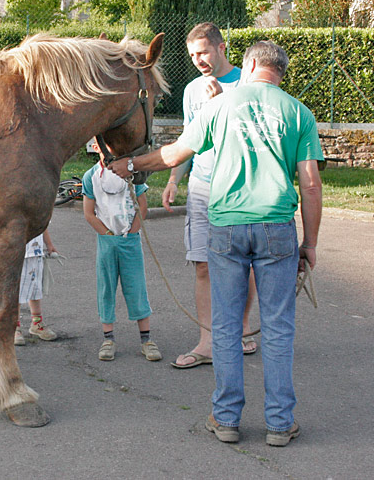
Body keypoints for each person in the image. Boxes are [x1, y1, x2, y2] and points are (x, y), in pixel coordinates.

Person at [110, 41, 323, 447]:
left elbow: (174, 155)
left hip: (225, 226)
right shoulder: (299, 112)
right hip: (276, 225)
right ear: (280, 71)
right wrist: (310, 243)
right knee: (278, 326)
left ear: (250, 65)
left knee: (225, 325)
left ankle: (226, 418)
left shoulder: (219, 107)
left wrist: (131, 164)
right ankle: (280, 423)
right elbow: (310, 185)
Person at [163, 22, 257, 369]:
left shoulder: (248, 84)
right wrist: (175, 179)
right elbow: (190, 138)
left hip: (239, 185)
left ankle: (243, 328)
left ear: (221, 48)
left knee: (241, 263)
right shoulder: (191, 90)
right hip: (202, 185)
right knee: (202, 264)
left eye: (203, 52)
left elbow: (252, 137)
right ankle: (207, 342)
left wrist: (223, 104)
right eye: (192, 55)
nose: (198, 60)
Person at [82, 139, 161, 363]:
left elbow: (142, 206)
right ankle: (108, 339)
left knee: (136, 286)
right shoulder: (91, 177)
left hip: (130, 240)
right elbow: (89, 213)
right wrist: (107, 234)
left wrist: (132, 232)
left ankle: (146, 340)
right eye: (102, 146)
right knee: (106, 287)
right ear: (95, 148)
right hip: (107, 242)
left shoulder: (131, 172)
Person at [14, 230, 59, 345]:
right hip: (16, 249)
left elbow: (43, 224)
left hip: (36, 251)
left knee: (35, 288)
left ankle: (37, 323)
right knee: (16, 290)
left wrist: (49, 244)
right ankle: (14, 326)